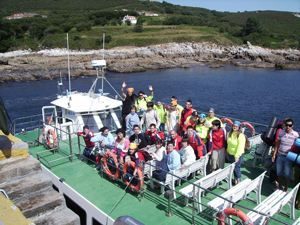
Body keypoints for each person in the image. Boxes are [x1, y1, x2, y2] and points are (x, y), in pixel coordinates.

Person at [272, 118, 299, 192]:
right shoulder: (281, 133)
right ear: (284, 125)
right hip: (280, 155)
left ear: (292, 126)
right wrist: (274, 154)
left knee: (287, 174)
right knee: (279, 172)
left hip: (289, 157)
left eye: (289, 125)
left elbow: (296, 147)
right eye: (286, 125)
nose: (288, 127)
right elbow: (277, 144)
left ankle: (285, 189)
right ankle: (280, 187)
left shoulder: (295, 135)